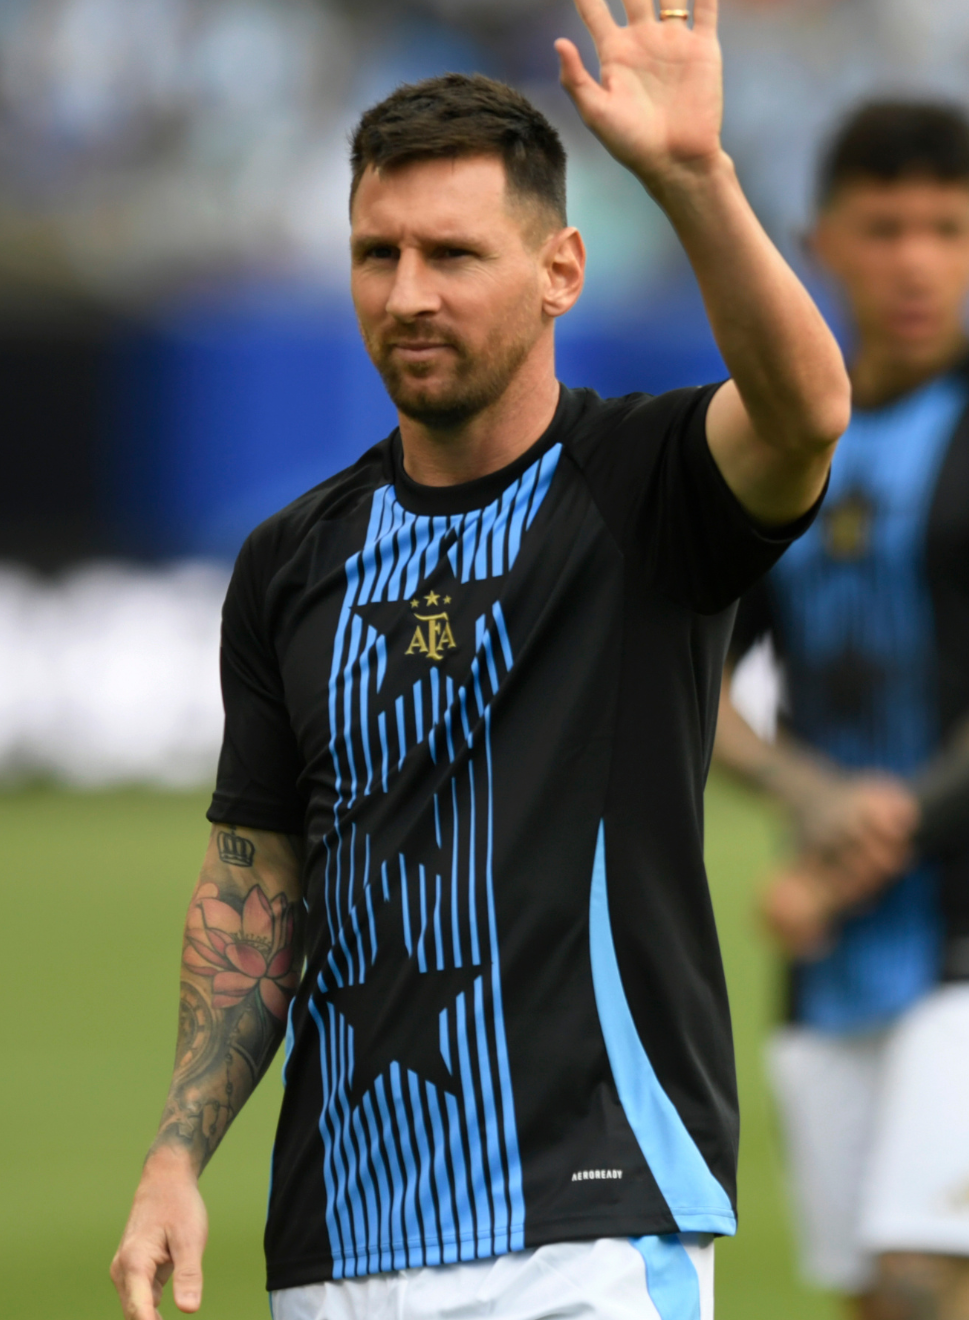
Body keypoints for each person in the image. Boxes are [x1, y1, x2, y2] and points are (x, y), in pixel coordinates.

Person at [110, 3, 852, 1317]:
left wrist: (693, 178)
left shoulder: (645, 485)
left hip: (596, 1223)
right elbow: (255, 878)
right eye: (375, 254)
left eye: (453, 253)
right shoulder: (291, 560)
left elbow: (805, 411)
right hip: (337, 1242)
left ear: (561, 271)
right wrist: (179, 1150)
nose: (408, 294)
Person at [712, 100, 969, 1319]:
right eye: (884, 229)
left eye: (945, 229)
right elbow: (684, 685)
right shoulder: (770, 441)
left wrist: (869, 832)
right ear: (818, 241)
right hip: (834, 961)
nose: (916, 262)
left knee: (924, 1293)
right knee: (875, 1297)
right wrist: (810, 800)